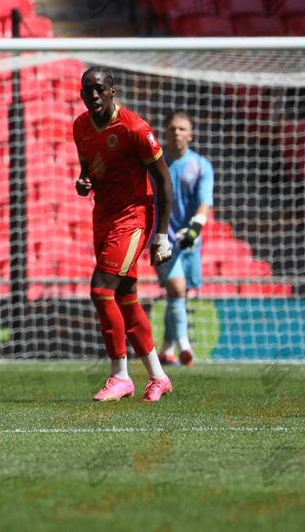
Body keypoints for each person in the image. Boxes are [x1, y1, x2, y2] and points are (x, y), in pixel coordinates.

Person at [73, 67, 175, 403]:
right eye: (88, 90)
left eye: (100, 89)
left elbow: (162, 180)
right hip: (102, 216)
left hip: (132, 218)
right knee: (126, 299)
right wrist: (83, 182)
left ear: (113, 91)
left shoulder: (134, 128)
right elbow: (89, 172)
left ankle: (120, 376)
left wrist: (162, 234)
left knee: (101, 291)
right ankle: (159, 377)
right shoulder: (81, 127)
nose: (94, 96)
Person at [154, 110, 214, 367]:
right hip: (162, 239)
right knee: (177, 289)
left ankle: (166, 349)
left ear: (190, 134)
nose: (176, 133)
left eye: (181, 129)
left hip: (190, 239)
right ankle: (185, 346)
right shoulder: (156, 165)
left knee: (179, 295)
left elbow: (205, 203)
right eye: (172, 129)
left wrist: (194, 229)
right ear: (165, 133)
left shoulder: (201, 165)